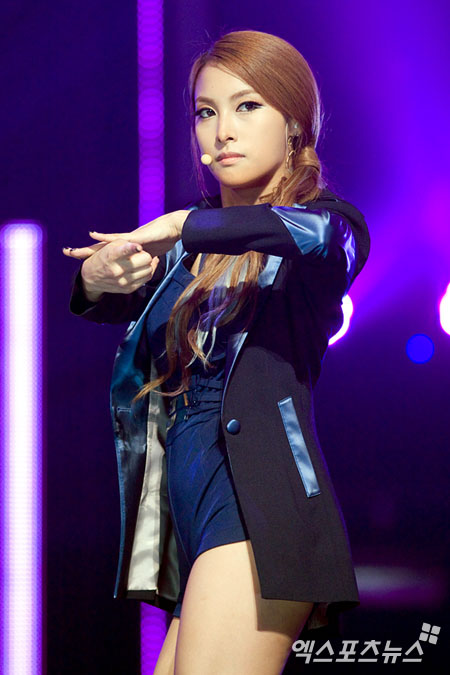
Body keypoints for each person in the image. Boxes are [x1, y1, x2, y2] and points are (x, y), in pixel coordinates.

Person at [64, 29, 370, 675]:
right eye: (206, 111)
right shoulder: (186, 253)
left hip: (261, 509)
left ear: (295, 123)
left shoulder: (324, 229)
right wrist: (95, 277)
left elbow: (318, 235)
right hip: (196, 520)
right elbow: (101, 301)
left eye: (247, 106)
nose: (222, 130)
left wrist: (184, 223)